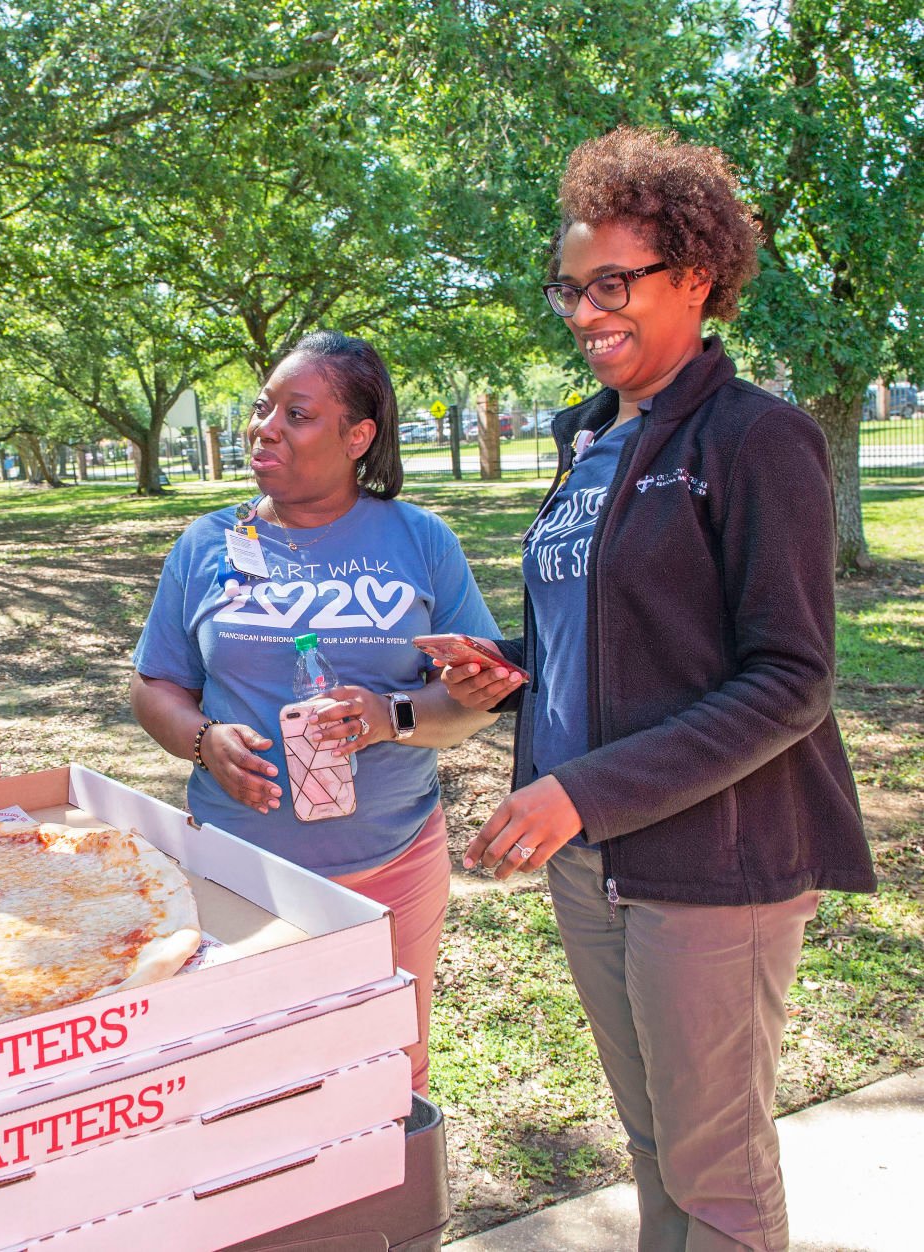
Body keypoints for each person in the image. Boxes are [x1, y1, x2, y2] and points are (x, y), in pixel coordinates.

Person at [442, 128, 876, 1251]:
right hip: (591, 858)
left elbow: (789, 678)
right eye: (568, 289)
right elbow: (620, 632)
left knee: (715, 1169)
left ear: (694, 275)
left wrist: (579, 790)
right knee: (652, 1143)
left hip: (711, 862)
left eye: (610, 284)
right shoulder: (592, 441)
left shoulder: (756, 438)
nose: (584, 313)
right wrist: (507, 672)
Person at [130, 330, 501, 1095]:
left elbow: (476, 698)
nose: (264, 426)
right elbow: (154, 685)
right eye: (264, 407)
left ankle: (389, 1215)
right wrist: (202, 740)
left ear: (356, 436)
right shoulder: (208, 544)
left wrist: (387, 713)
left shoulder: (419, 540)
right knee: (254, 1080)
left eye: (296, 414)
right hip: (239, 874)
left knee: (388, 1066)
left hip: (392, 865)